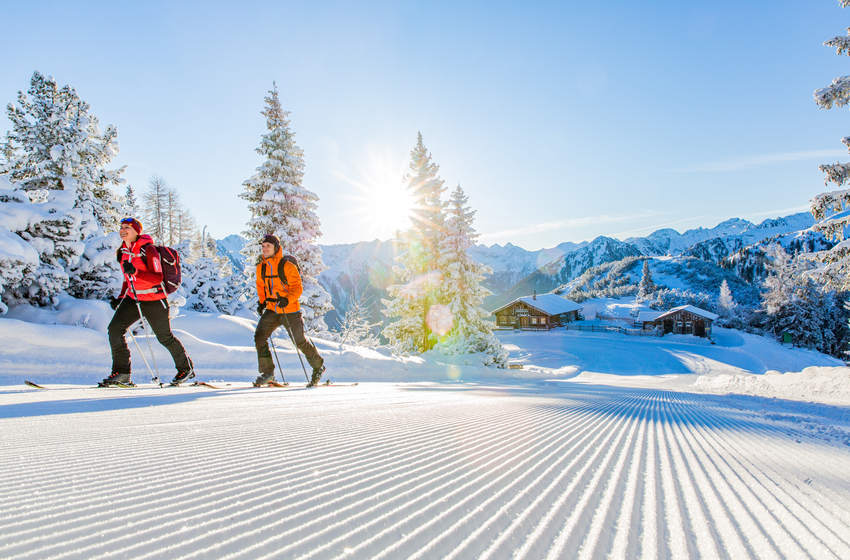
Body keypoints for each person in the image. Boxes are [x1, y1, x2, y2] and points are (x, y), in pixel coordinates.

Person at [101, 217, 194, 386]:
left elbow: (157, 278)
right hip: (133, 298)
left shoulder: (148, 250)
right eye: (121, 227)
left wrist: (136, 271)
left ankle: (186, 369)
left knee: (164, 337)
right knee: (115, 329)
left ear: (137, 231)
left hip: (155, 299)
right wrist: (121, 297)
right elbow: (127, 279)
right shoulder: (123, 252)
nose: (122, 230)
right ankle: (122, 373)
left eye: (127, 227)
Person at [253, 234, 325, 387]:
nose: (265, 249)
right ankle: (268, 373)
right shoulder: (262, 267)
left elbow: (297, 288)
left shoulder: (287, 266)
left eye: (268, 246)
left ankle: (318, 367)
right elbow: (261, 286)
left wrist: (287, 299)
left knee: (299, 342)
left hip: (290, 309)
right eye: (263, 246)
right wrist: (261, 302)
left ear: (276, 248)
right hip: (272, 309)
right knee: (260, 336)